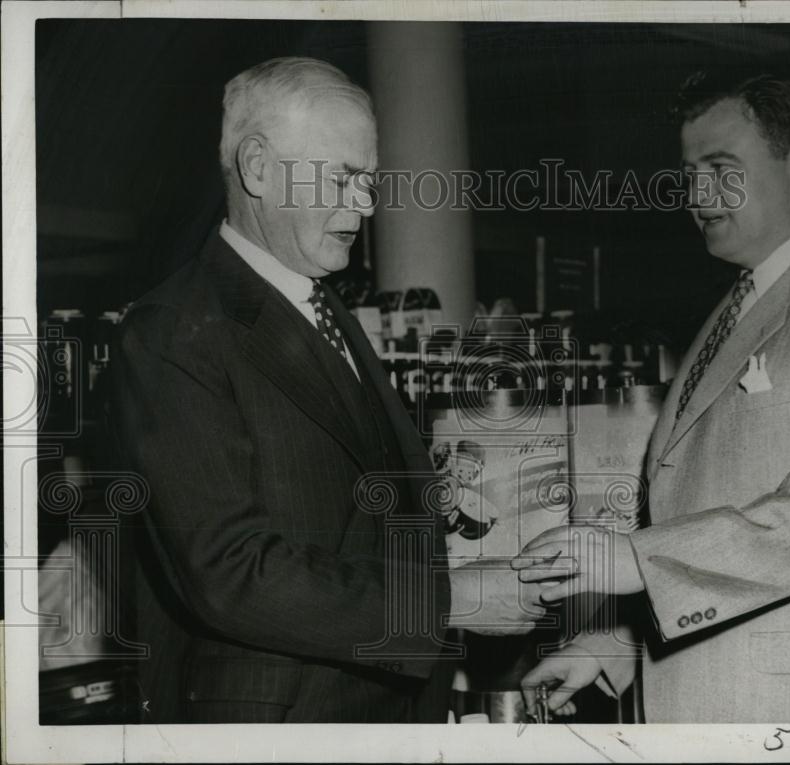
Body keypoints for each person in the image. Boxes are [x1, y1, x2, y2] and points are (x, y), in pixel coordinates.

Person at [112, 57, 544, 724]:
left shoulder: (321, 303)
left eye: (370, 181)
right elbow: (228, 571)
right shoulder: (175, 329)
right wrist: (446, 599)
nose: (367, 205)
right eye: (343, 179)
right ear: (257, 168)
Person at [514, 72, 790, 722]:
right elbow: (711, 519)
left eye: (721, 168)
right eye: (689, 172)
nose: (697, 194)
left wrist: (636, 557)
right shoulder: (730, 312)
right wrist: (617, 646)